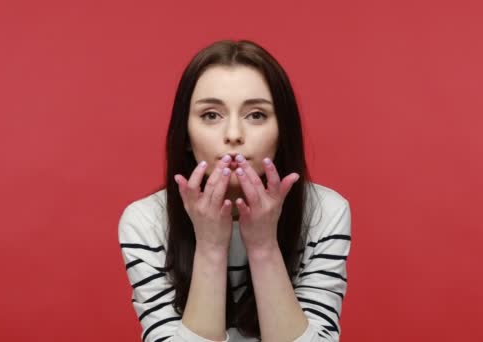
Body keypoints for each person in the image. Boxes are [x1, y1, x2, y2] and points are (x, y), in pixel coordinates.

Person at [118, 39, 351, 342]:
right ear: (186, 134)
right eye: (211, 115)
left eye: (256, 115)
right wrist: (211, 246)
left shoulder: (326, 213)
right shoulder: (146, 222)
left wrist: (263, 245)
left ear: (282, 131)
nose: (233, 135)